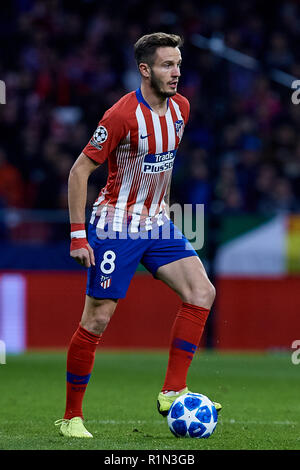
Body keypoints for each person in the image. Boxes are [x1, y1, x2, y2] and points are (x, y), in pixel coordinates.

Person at [55, 32, 221, 438]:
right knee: (97, 318)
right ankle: (71, 417)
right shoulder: (120, 116)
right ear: (145, 70)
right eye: (167, 64)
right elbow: (79, 171)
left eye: (179, 64)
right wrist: (79, 235)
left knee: (203, 292)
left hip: (157, 223)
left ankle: (172, 390)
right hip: (115, 225)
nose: (176, 72)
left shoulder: (181, 108)